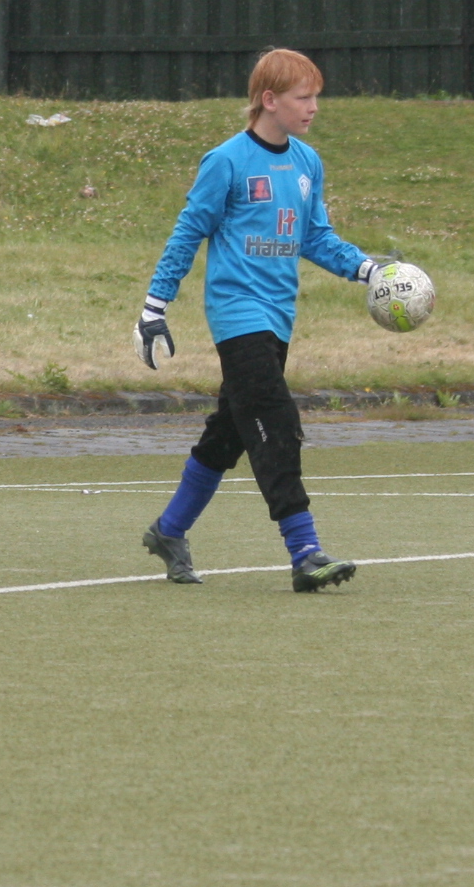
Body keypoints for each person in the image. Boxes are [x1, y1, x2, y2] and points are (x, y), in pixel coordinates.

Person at [133, 47, 382, 593]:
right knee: (277, 420)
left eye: (316, 97)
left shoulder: (307, 163)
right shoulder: (226, 161)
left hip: (278, 317)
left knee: (230, 434)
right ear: (269, 100)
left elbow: (315, 237)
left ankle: (169, 531)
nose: (313, 107)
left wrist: (366, 269)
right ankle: (305, 551)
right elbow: (187, 233)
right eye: (303, 97)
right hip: (237, 315)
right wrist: (154, 307)